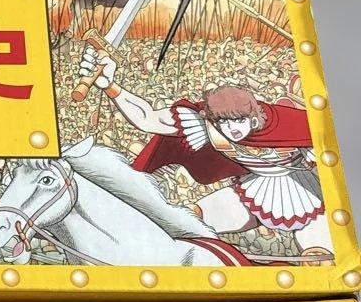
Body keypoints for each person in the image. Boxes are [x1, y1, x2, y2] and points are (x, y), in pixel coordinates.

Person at [79, 50, 333, 259]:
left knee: (319, 257)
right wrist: (110, 86)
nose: (232, 128)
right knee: (187, 220)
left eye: (239, 120)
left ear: (254, 117)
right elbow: (148, 119)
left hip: (303, 193)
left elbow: (327, 142)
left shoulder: (289, 125)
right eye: (224, 122)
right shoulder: (206, 122)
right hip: (252, 190)